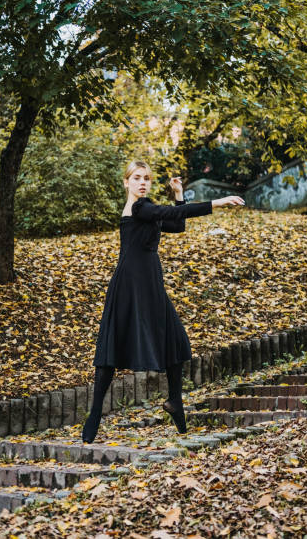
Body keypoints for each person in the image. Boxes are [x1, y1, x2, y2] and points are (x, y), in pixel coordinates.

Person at [82, 159, 245, 443]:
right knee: (113, 348)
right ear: (126, 182)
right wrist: (217, 202)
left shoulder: (147, 211)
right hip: (130, 284)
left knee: (177, 341)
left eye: (146, 178)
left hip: (151, 283)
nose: (142, 182)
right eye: (136, 178)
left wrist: (179, 194)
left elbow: (177, 224)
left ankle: (175, 402)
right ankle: (94, 416)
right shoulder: (138, 208)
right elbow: (168, 213)